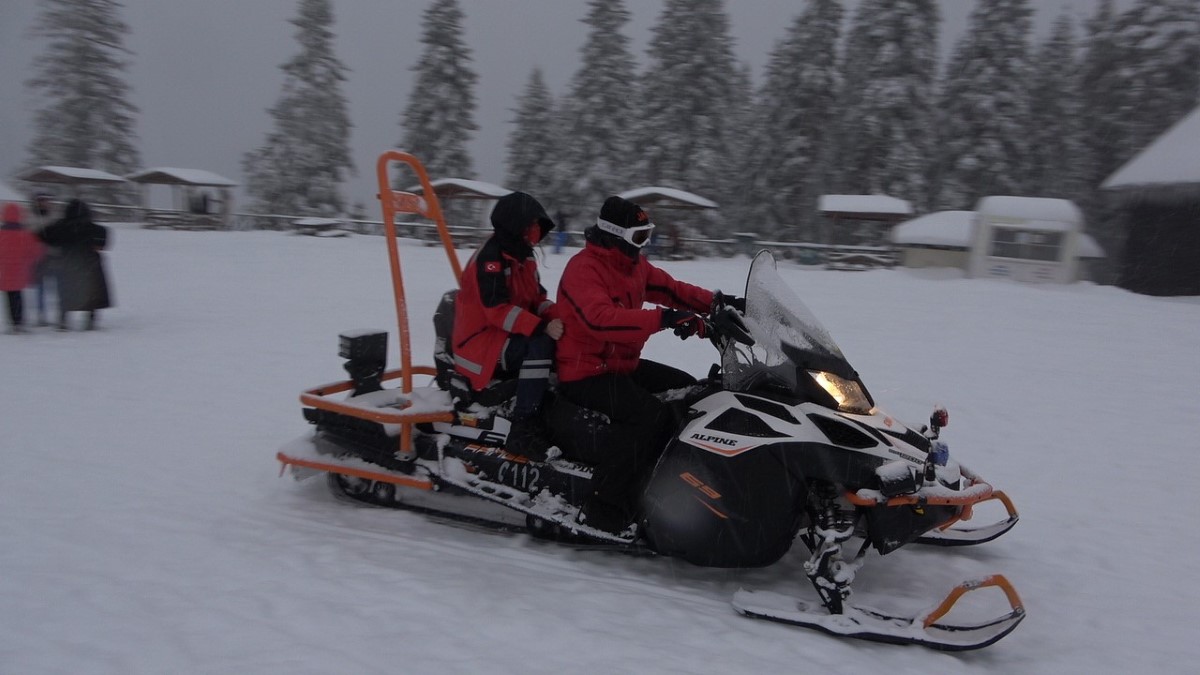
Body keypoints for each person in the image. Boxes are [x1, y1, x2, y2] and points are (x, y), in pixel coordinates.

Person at [552, 195, 744, 533]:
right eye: (639, 237)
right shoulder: (584, 269)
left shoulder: (633, 266)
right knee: (648, 415)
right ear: (614, 235)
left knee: (691, 390)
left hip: (620, 366)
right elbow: (601, 320)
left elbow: (671, 290)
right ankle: (604, 503)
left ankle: (663, 480)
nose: (645, 244)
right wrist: (666, 319)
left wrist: (717, 304)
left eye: (648, 234)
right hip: (584, 371)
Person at [452, 191, 563, 460]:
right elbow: (496, 311)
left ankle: (556, 412)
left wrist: (566, 316)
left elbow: (537, 300)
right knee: (540, 345)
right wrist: (541, 327)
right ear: (515, 226)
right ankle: (522, 426)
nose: (535, 233)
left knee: (562, 340)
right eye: (530, 226)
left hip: (506, 335)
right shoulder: (490, 259)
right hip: (481, 344)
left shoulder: (524, 258)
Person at [37, 199, 112, 331]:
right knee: (92, 292)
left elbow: (42, 236)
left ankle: (63, 320)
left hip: (68, 264)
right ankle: (90, 319)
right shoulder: (94, 229)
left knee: (66, 293)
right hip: (90, 265)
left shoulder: (60, 227)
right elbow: (102, 242)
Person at [0, 202, 45, 334]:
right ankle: (19, 321)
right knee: (18, 296)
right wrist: (28, 262)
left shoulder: (1, 234)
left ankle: (13, 322)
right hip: (20, 271)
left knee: (9, 296)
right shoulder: (25, 234)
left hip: (5, 271)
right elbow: (37, 251)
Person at [27, 192, 61, 326]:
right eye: (41, 201)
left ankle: (59, 315)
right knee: (40, 287)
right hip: (38, 257)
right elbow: (28, 235)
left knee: (56, 286)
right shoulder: (30, 217)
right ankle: (41, 315)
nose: (44, 203)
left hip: (53, 255)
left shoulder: (55, 217)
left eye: (47, 201)